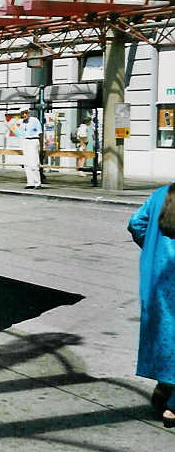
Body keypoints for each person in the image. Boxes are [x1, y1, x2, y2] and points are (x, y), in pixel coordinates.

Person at [127, 183, 175, 428]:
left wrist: (153, 248)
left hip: (158, 277)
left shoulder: (161, 194)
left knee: (165, 335)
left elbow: (136, 223)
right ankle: (172, 403)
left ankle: (166, 385)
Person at [7, 108, 43, 189]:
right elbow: (10, 125)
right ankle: (30, 183)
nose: (24, 115)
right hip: (25, 141)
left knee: (34, 163)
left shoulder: (35, 120)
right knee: (26, 163)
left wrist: (41, 147)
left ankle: (37, 183)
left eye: (26, 113)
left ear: (28, 113)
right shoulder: (21, 122)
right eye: (22, 113)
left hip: (33, 140)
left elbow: (40, 133)